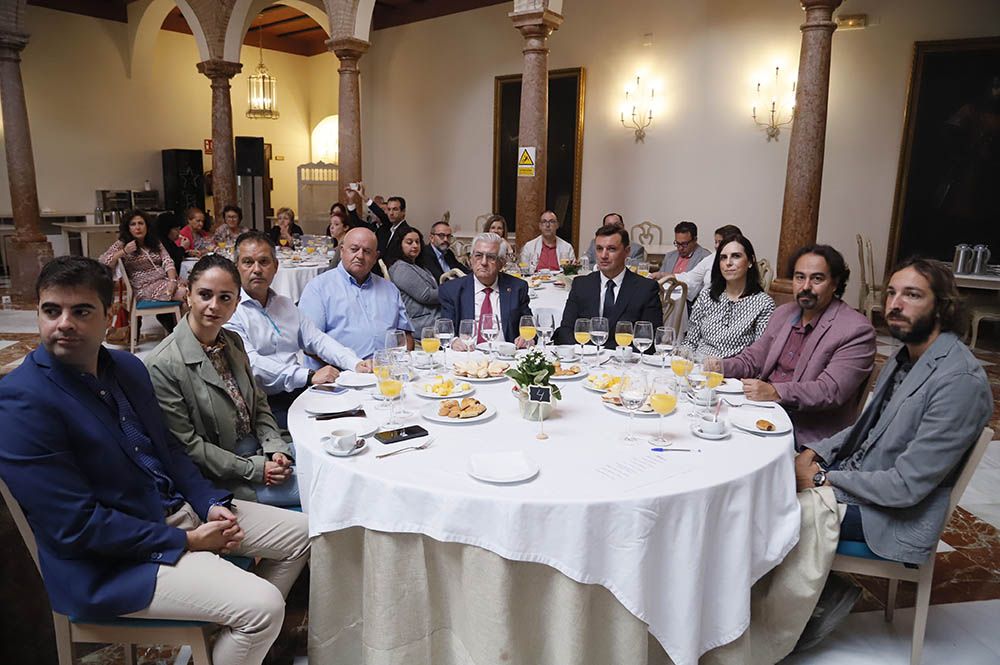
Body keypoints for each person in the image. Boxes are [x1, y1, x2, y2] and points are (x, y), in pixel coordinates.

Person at [0, 256, 309, 665]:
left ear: (109, 317)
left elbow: (170, 451)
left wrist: (209, 504)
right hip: (112, 562)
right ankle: (241, 627)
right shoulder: (23, 400)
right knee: (263, 607)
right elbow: (75, 527)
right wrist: (186, 541)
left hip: (174, 511)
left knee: (305, 533)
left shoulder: (126, 367)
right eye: (51, 311)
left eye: (81, 311)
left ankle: (233, 643)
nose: (64, 323)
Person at [792, 257, 992, 650]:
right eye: (892, 293)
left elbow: (905, 488)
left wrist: (822, 479)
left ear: (943, 306)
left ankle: (804, 611)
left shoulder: (958, 381)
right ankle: (805, 593)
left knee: (764, 507)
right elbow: (864, 429)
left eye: (912, 295)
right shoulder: (909, 357)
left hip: (892, 515)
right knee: (760, 475)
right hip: (863, 482)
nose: (895, 304)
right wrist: (815, 450)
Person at [145, 254, 299, 507]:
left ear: (237, 303)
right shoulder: (163, 364)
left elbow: (258, 404)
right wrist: (257, 469)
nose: (214, 305)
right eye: (205, 295)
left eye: (225, 298)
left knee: (330, 464)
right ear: (188, 295)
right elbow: (189, 447)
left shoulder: (232, 341)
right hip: (225, 475)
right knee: (321, 489)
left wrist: (276, 447)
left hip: (259, 451)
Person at [711, 245, 876, 448]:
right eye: (799, 277)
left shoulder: (856, 329)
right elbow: (754, 358)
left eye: (817, 279)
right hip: (759, 415)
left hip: (805, 432)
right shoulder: (784, 313)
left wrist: (775, 392)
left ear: (835, 283)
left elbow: (829, 391)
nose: (805, 286)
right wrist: (719, 367)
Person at [224, 231, 370, 428]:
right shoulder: (230, 311)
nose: (257, 269)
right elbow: (254, 365)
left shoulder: (285, 305)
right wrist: (308, 376)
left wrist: (355, 363)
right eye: (248, 262)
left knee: (356, 414)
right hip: (259, 403)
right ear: (236, 268)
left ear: (276, 267)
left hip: (297, 391)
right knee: (323, 429)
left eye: (264, 262)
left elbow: (317, 339)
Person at [298, 226, 414, 363]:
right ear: (341, 251)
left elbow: (406, 335)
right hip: (339, 375)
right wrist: (351, 365)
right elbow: (309, 343)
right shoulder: (318, 288)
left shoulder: (390, 289)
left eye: (367, 251)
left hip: (387, 371)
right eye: (354, 249)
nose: (360, 256)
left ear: (375, 257)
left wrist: (400, 363)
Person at [555, 224, 662, 347]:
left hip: (625, 362)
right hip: (586, 361)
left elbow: (648, 340)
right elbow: (565, 331)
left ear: (627, 252)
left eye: (611, 249)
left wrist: (604, 352)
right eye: (599, 249)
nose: (603, 256)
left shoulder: (646, 289)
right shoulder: (581, 285)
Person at [683, 233, 774, 358]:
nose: (728, 263)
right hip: (697, 369)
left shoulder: (763, 304)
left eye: (736, 256)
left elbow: (759, 355)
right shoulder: (706, 296)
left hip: (734, 373)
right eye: (723, 257)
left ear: (750, 261)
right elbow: (690, 342)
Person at [440, 232, 533, 348]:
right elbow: (444, 330)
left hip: (507, 356)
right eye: (478, 255)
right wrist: (453, 342)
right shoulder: (452, 290)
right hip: (468, 357)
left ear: (501, 263)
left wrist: (527, 339)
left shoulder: (517, 288)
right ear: (471, 260)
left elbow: (529, 326)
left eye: (491, 257)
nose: (483, 262)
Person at [99, 209, 188, 305]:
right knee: (187, 294)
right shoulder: (123, 243)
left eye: (141, 223)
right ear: (128, 228)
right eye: (133, 224)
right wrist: (124, 251)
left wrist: (172, 280)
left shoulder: (155, 242)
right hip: (143, 287)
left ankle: (178, 319)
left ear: (146, 226)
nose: (137, 227)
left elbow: (168, 261)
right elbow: (103, 262)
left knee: (195, 288)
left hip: (164, 279)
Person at [653, 224, 742, 300]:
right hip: (705, 303)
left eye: (721, 242)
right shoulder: (711, 258)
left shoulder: (741, 261)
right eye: (716, 242)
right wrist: (663, 275)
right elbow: (691, 277)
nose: (716, 246)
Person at [387, 228, 441, 338]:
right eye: (409, 242)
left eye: (417, 242)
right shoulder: (400, 268)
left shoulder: (416, 265)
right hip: (421, 324)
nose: (415, 245)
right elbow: (426, 296)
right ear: (400, 245)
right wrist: (451, 290)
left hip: (432, 317)